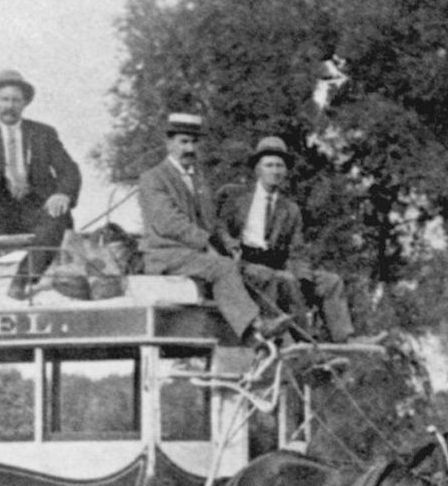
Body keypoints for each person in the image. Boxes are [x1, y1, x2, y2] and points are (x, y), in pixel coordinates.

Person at [138, 113, 289, 344]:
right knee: (224, 267)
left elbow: (212, 221)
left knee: (263, 275)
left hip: (196, 256)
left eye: (194, 142)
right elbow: (169, 223)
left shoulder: (199, 180)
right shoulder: (153, 179)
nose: (190, 148)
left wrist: (227, 242)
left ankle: (275, 343)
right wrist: (208, 245)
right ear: (169, 143)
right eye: (183, 141)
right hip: (166, 255)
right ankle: (256, 328)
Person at [217, 136, 356, 344]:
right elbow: (219, 228)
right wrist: (230, 245)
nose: (275, 171)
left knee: (330, 282)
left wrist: (303, 277)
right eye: (269, 165)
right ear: (257, 169)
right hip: (245, 264)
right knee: (280, 279)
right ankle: (305, 341)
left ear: (286, 171)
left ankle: (344, 338)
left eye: (280, 166)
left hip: (278, 264)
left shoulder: (290, 209)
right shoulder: (235, 197)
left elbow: (297, 250)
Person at [0, 70, 81, 300]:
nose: (10, 106)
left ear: (25, 103)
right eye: (4, 99)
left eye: (16, 100)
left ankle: (22, 279)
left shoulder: (43, 134)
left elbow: (69, 169)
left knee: (58, 214)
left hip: (35, 210)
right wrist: (3, 171)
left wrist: (63, 194)